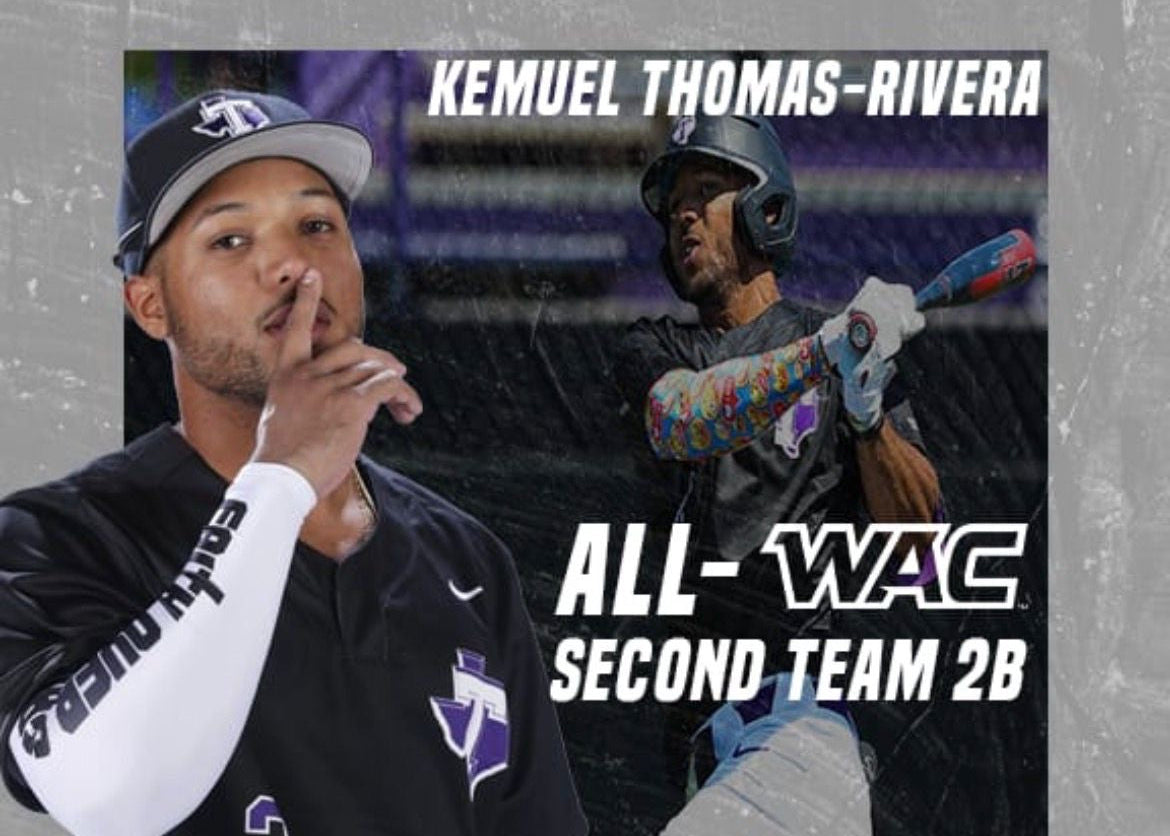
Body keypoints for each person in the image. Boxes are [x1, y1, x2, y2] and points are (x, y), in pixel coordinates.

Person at [0, 89, 587, 836]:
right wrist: (279, 482)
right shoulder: (54, 539)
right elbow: (100, 792)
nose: (292, 266)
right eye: (231, 241)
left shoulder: (467, 560)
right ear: (150, 305)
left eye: (316, 225)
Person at [615, 114, 942, 835]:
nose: (685, 217)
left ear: (768, 210)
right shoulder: (655, 349)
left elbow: (918, 547)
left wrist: (866, 415)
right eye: (674, 207)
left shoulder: (852, 360)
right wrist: (822, 358)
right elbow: (685, 416)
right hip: (708, 746)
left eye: (707, 191)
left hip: (801, 727)